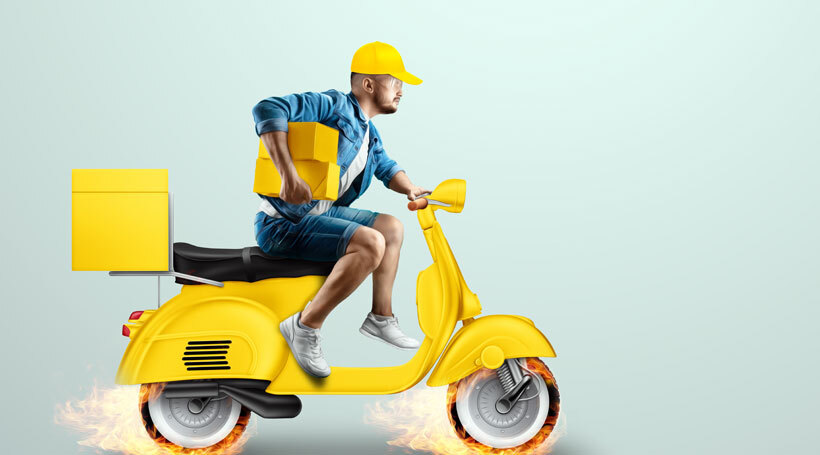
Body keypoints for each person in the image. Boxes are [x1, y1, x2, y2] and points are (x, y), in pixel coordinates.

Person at [251, 42, 427, 378]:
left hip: (319, 215)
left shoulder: (368, 132)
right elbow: (267, 108)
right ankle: (305, 326)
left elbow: (386, 167)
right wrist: (288, 175)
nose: (401, 91)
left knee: (391, 228)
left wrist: (411, 188)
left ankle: (380, 318)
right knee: (371, 243)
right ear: (369, 84)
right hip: (283, 222)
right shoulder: (332, 105)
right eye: (395, 82)